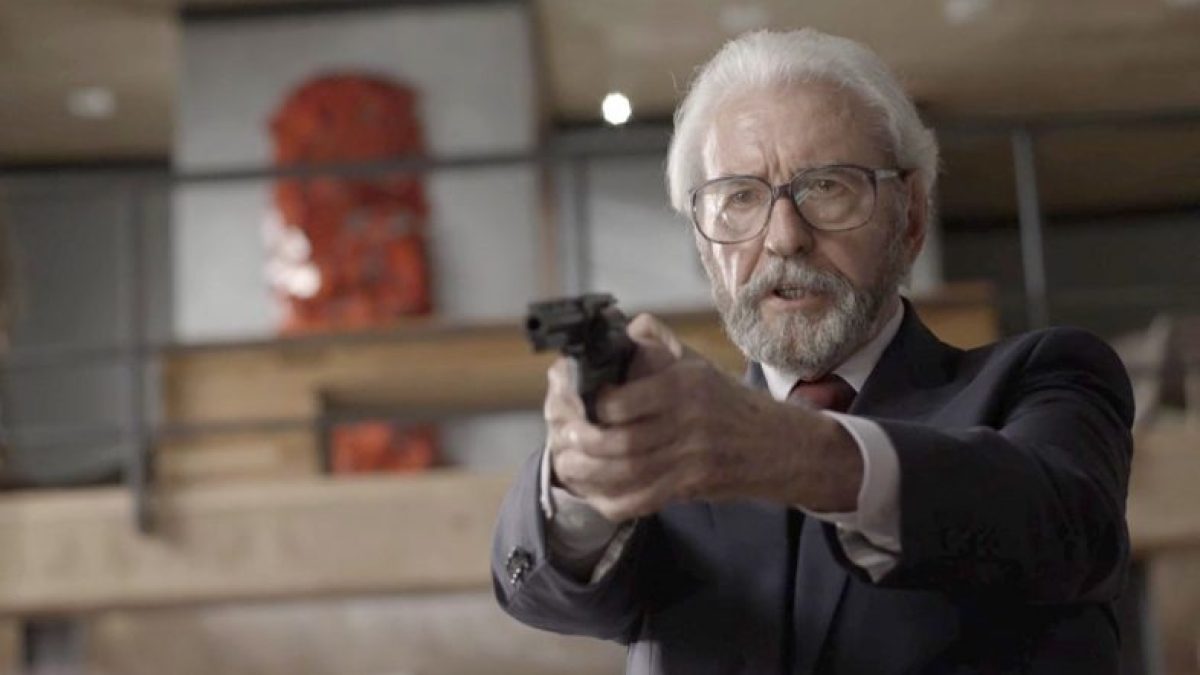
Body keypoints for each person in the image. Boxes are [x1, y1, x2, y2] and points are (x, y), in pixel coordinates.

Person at [492, 28, 1133, 675]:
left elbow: (1071, 527)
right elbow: (542, 592)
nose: (784, 238)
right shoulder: (672, 453)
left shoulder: (1044, 378)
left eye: (826, 186)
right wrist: (582, 477)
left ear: (911, 215)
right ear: (703, 243)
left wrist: (786, 447)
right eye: (739, 197)